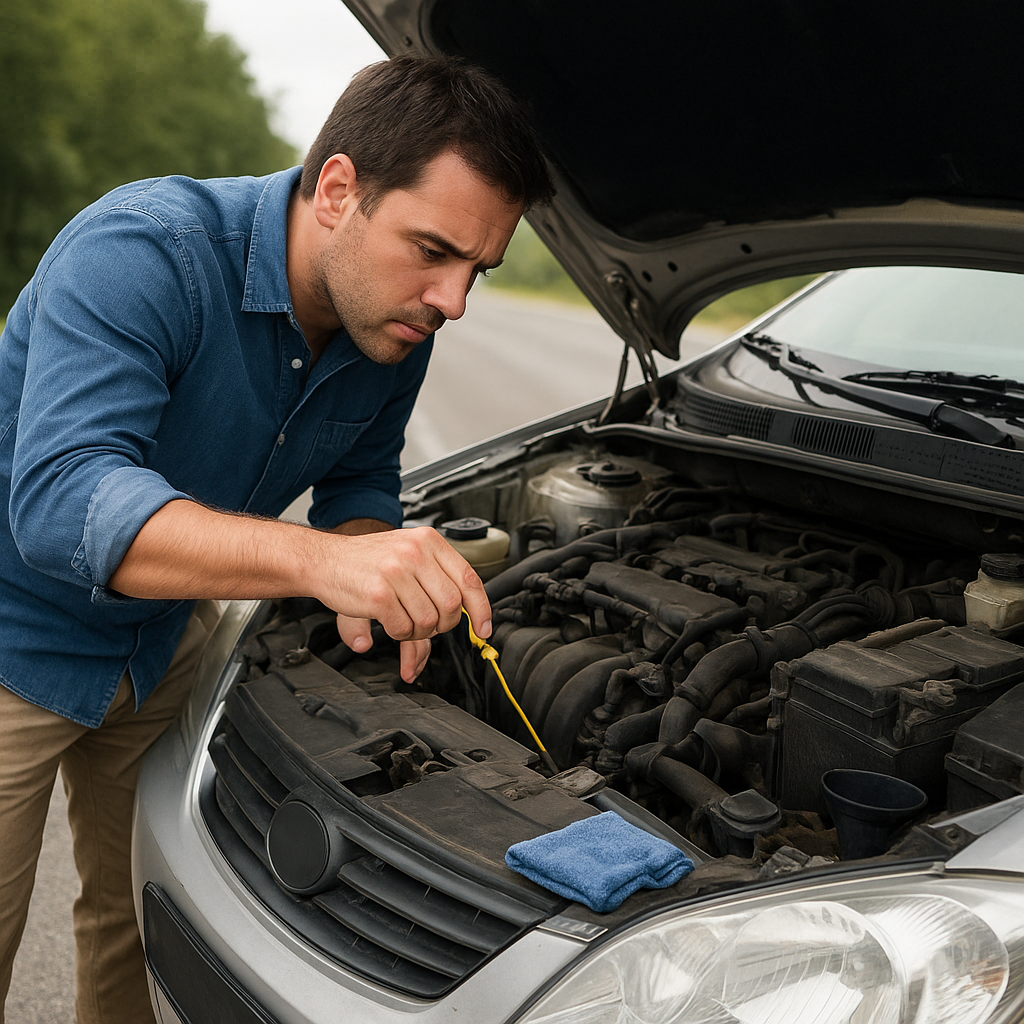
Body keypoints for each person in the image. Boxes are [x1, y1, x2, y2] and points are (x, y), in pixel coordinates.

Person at [0, 54, 555, 1024]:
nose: (453, 300)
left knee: (134, 912)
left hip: (159, 643)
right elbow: (60, 499)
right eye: (432, 249)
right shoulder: (144, 250)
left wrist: (371, 567)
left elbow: (358, 480)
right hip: (13, 636)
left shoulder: (389, 328)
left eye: (477, 269)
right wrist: (321, 560)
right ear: (338, 189)